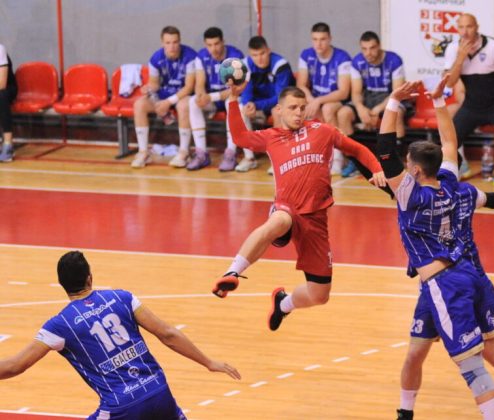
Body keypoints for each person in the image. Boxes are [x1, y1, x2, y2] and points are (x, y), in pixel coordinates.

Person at [379, 77, 494, 420]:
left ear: (414, 170)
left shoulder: (410, 195)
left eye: (406, 165)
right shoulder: (455, 186)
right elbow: (450, 142)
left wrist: (393, 101)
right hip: (462, 274)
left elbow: (385, 149)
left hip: (444, 284)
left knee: (473, 363)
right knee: (423, 351)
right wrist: (437, 101)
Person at [212, 83, 384, 332]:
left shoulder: (323, 131)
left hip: (315, 219)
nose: (298, 113)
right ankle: (232, 273)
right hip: (287, 209)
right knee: (279, 221)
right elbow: (239, 137)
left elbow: (356, 149)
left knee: (319, 295)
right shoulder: (270, 137)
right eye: (292, 108)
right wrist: (232, 99)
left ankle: (284, 304)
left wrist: (377, 168)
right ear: (279, 110)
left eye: (302, 108)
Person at [0, 251, 240, 419]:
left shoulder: (60, 325)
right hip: (159, 391)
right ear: (90, 278)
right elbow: (167, 334)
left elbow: (15, 366)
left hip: (121, 407)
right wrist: (208, 362)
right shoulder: (123, 298)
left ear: (61, 284)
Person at [444, 13, 494, 185]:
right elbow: (449, 82)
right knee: (450, 137)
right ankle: (460, 166)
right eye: (461, 27)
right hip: (472, 105)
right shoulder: (452, 49)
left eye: (469, 27)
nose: (465, 32)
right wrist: (460, 58)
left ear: (477, 27)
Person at [337, 31, 406, 178]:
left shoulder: (394, 60)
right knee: (343, 114)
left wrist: (377, 110)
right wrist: (360, 108)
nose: (368, 53)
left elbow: (397, 92)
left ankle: (397, 161)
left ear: (379, 46)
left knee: (398, 114)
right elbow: (356, 92)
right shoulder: (357, 62)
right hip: (367, 98)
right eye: (364, 49)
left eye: (372, 48)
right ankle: (354, 162)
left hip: (390, 97)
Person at [131, 26, 198, 169]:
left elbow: (189, 87)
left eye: (175, 42)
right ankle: (143, 152)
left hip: (183, 96)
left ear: (180, 41)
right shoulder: (156, 58)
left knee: (183, 105)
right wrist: (148, 88)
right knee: (139, 104)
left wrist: (168, 102)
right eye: (168, 43)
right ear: (162, 43)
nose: (172, 46)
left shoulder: (191, 56)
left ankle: (184, 152)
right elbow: (155, 84)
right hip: (165, 95)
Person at [184, 27, 246, 171]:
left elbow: (236, 88)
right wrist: (200, 96)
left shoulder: (235, 56)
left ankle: (231, 154)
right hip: (212, 99)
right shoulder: (201, 56)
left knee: (231, 102)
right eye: (210, 45)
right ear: (205, 45)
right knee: (193, 102)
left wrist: (211, 96)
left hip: (231, 96)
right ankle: (201, 154)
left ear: (223, 41)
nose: (214, 48)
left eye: (217, 44)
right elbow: (200, 83)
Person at [296, 22, 352, 175]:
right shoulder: (306, 55)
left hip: (337, 99)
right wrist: (311, 100)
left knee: (327, 109)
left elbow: (343, 92)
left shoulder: (342, 57)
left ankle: (338, 158)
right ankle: (316, 155)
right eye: (315, 39)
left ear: (330, 39)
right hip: (315, 98)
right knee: (305, 110)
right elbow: (301, 84)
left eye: (322, 39)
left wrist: (318, 101)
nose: (318, 44)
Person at [238, 35, 295, 173]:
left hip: (283, 104)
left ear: (268, 50)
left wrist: (256, 105)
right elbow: (246, 91)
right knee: (241, 109)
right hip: (261, 105)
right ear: (250, 55)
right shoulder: (245, 65)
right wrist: (248, 104)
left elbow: (280, 98)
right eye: (255, 55)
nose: (259, 58)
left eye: (262, 53)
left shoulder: (280, 65)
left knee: (277, 111)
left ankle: (280, 159)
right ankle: (249, 158)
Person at [0, 43, 17, 162]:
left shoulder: (0, 49)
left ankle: (8, 144)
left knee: (1, 96)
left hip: (7, 88)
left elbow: (2, 83)